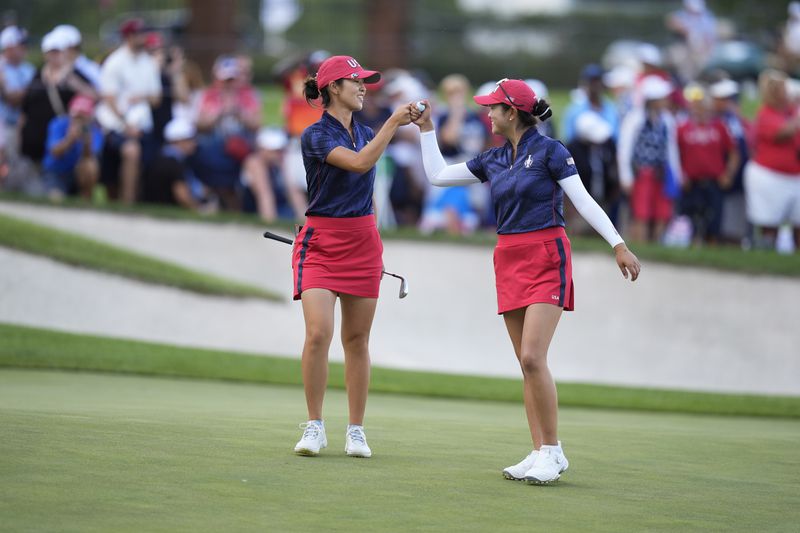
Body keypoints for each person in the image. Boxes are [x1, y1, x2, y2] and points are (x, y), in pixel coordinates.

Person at [412, 78, 641, 484]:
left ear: (511, 112)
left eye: (492, 108)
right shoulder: (493, 159)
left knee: (534, 356)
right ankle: (539, 451)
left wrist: (618, 244)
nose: (487, 114)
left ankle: (553, 451)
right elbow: (438, 176)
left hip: (546, 254)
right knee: (526, 364)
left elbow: (583, 200)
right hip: (508, 257)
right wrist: (427, 129)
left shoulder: (552, 152)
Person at [291, 55, 418, 458]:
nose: (364, 87)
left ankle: (356, 430)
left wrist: (375, 244)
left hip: (362, 243)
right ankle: (314, 426)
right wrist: (394, 123)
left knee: (357, 340)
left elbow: (369, 195)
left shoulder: (365, 130)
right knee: (318, 334)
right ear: (332, 89)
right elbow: (360, 164)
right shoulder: (315, 135)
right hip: (322, 244)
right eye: (355, 81)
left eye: (364, 81)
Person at [96, 18, 162, 204]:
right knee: (131, 151)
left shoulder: (148, 63)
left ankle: (132, 199)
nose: (143, 38)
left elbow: (156, 99)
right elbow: (109, 100)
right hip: (116, 125)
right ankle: (128, 202)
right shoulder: (115, 62)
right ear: (129, 37)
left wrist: (141, 97)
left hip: (142, 124)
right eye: (139, 34)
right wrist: (125, 124)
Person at [618, 75, 683, 243]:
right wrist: (626, 176)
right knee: (641, 213)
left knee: (662, 212)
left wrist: (676, 174)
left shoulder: (666, 119)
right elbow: (625, 148)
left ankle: (656, 242)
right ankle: (642, 243)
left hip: (660, 173)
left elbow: (671, 149)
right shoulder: (635, 118)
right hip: (642, 173)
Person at [743, 69, 800, 250]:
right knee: (770, 224)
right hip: (771, 177)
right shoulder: (765, 114)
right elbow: (784, 133)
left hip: (794, 176)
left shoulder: (790, 111)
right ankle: (768, 252)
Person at [676, 84, 739, 245]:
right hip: (692, 182)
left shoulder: (719, 127)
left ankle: (712, 245)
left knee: (714, 220)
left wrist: (728, 174)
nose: (699, 109)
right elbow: (676, 155)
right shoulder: (683, 128)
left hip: (714, 181)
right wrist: (681, 175)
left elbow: (733, 153)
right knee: (690, 219)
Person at [41, 94, 103, 200]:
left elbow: (90, 157)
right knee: (56, 199)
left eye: (83, 116)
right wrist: (69, 140)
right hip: (56, 174)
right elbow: (54, 152)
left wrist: (86, 142)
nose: (79, 120)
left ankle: (86, 198)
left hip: (77, 175)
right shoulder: (58, 124)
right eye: (76, 116)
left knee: (90, 165)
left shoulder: (94, 130)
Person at [241, 126, 306, 221]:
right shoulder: (254, 163)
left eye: (280, 150)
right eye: (274, 150)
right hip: (256, 212)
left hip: (280, 208)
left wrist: (305, 220)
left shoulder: (279, 162)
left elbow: (293, 191)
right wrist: (271, 225)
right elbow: (264, 195)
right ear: (262, 149)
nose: (279, 154)